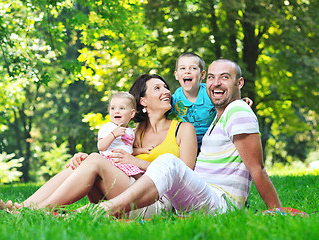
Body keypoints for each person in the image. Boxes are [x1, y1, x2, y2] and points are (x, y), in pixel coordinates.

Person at [0, 74, 198, 219]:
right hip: (125, 190)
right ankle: (20, 208)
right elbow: (111, 157)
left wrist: (136, 161)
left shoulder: (182, 129)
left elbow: (185, 176)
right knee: (87, 160)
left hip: (155, 201)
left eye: (166, 87)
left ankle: (29, 213)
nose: (166, 91)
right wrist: (83, 158)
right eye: (158, 88)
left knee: (95, 159)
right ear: (142, 101)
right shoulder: (134, 132)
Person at [98, 59, 281, 217]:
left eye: (224, 77)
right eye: (211, 77)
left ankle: (106, 210)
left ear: (239, 83)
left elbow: (258, 168)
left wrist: (277, 210)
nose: (216, 83)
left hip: (221, 204)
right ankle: (90, 211)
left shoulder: (238, 110)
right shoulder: (217, 118)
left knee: (169, 161)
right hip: (200, 195)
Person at [171, 52, 252, 154]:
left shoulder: (209, 92)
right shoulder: (175, 99)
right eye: (183, 68)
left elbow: (225, 100)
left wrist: (239, 102)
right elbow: (160, 109)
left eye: (193, 68)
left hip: (212, 135)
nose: (187, 72)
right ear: (176, 75)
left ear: (202, 75)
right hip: (189, 138)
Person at [97, 92, 143, 178]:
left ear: (132, 113)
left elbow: (129, 149)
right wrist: (113, 134)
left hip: (125, 162)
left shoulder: (130, 131)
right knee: (140, 178)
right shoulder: (108, 127)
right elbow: (101, 146)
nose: (116, 111)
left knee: (142, 178)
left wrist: (143, 150)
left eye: (122, 108)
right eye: (113, 108)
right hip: (112, 161)